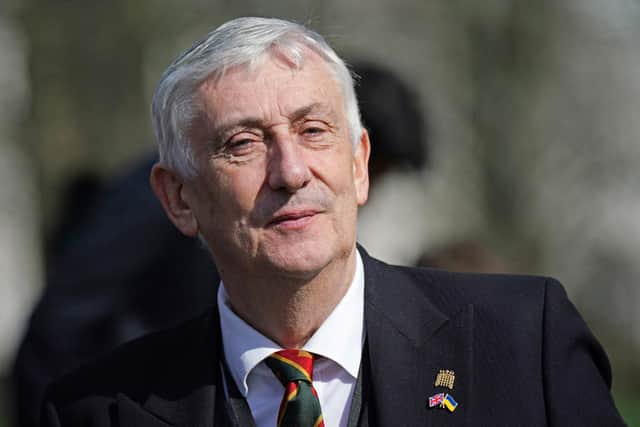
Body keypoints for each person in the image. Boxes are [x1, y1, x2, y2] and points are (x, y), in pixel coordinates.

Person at [41, 17, 625, 426]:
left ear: (360, 164)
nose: (291, 172)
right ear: (179, 199)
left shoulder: (524, 343)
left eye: (314, 130)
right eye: (243, 143)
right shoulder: (94, 410)